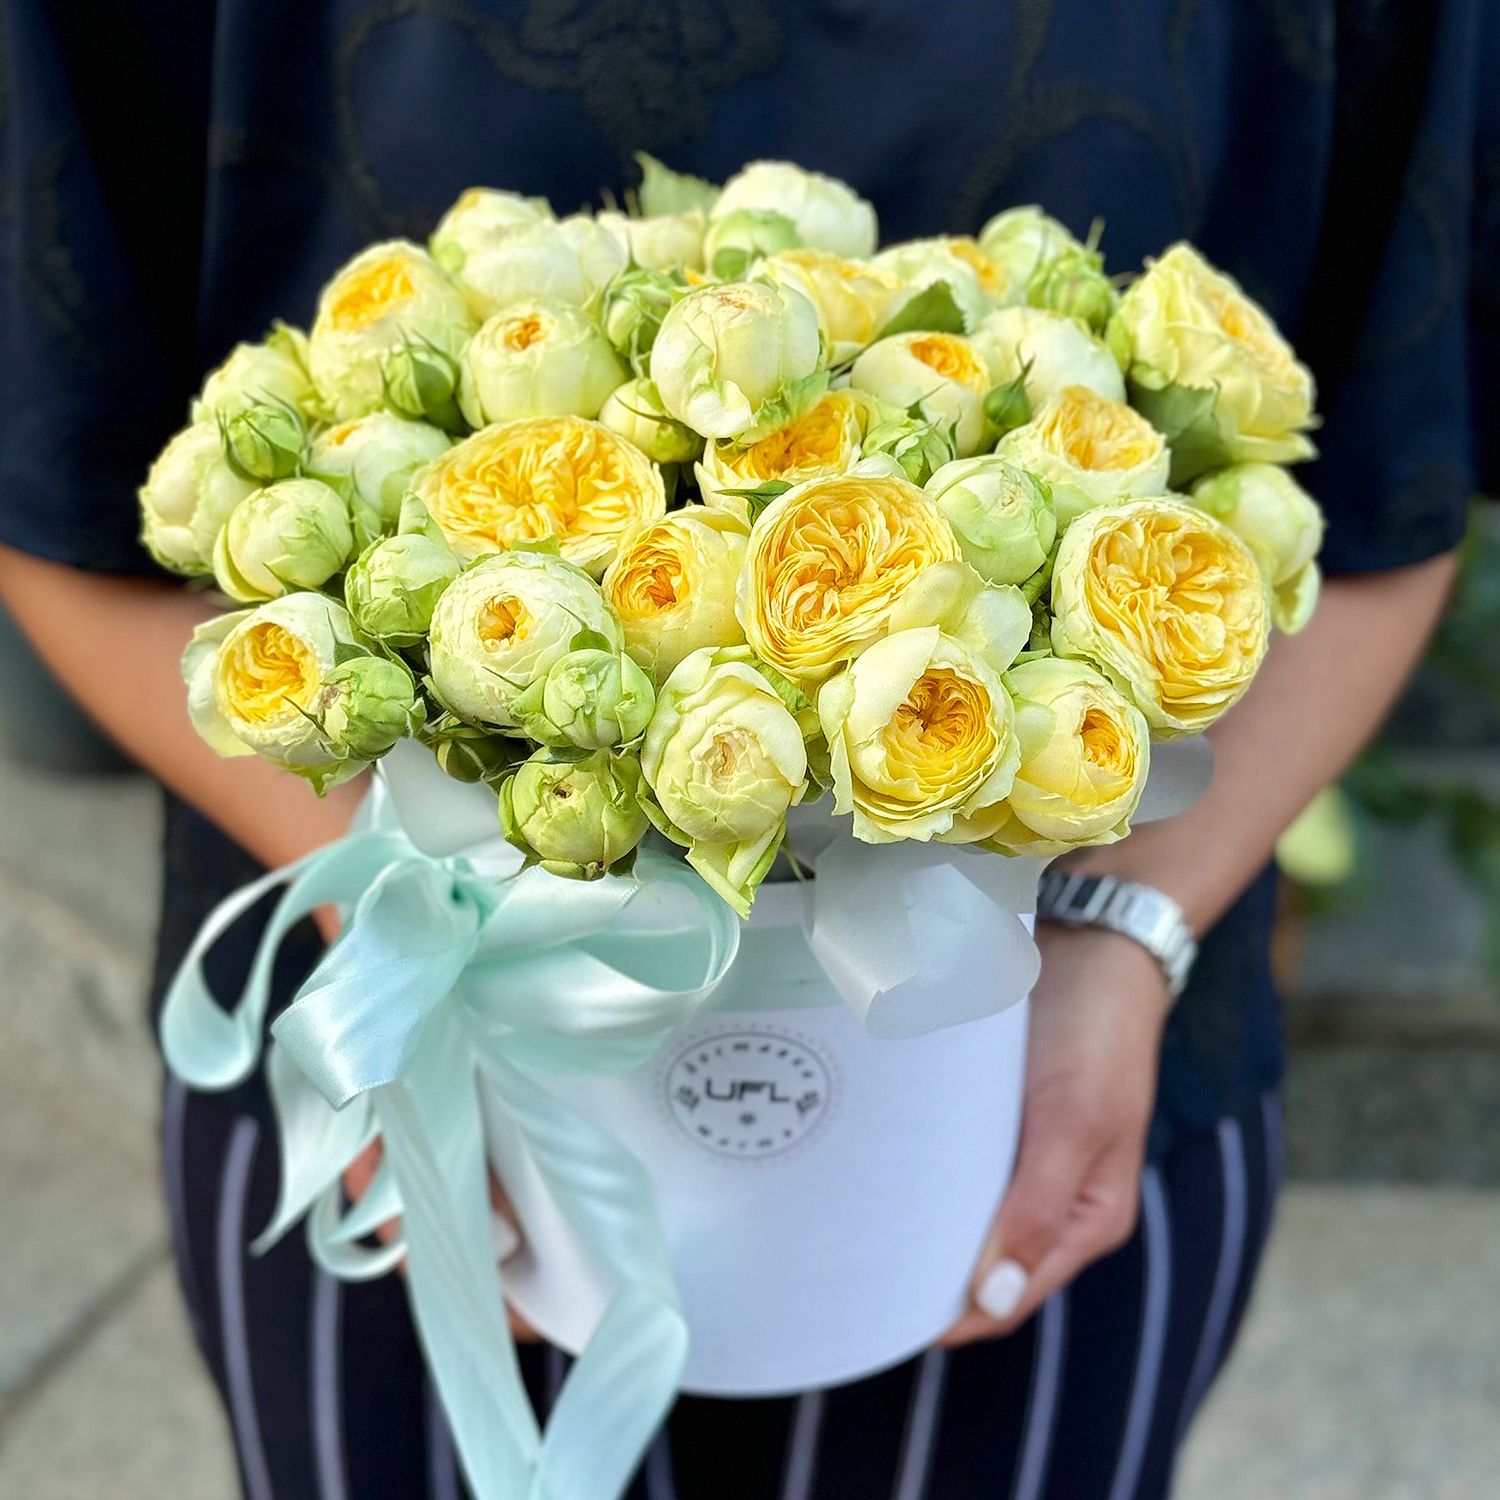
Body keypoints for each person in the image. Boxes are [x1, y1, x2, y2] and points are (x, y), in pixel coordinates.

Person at [1, 2, 1493, 1496]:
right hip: (410, 1085)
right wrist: (413, 942)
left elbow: (1396, 464)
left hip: (1057, 1077)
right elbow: (48, 449)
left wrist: (1124, 933)